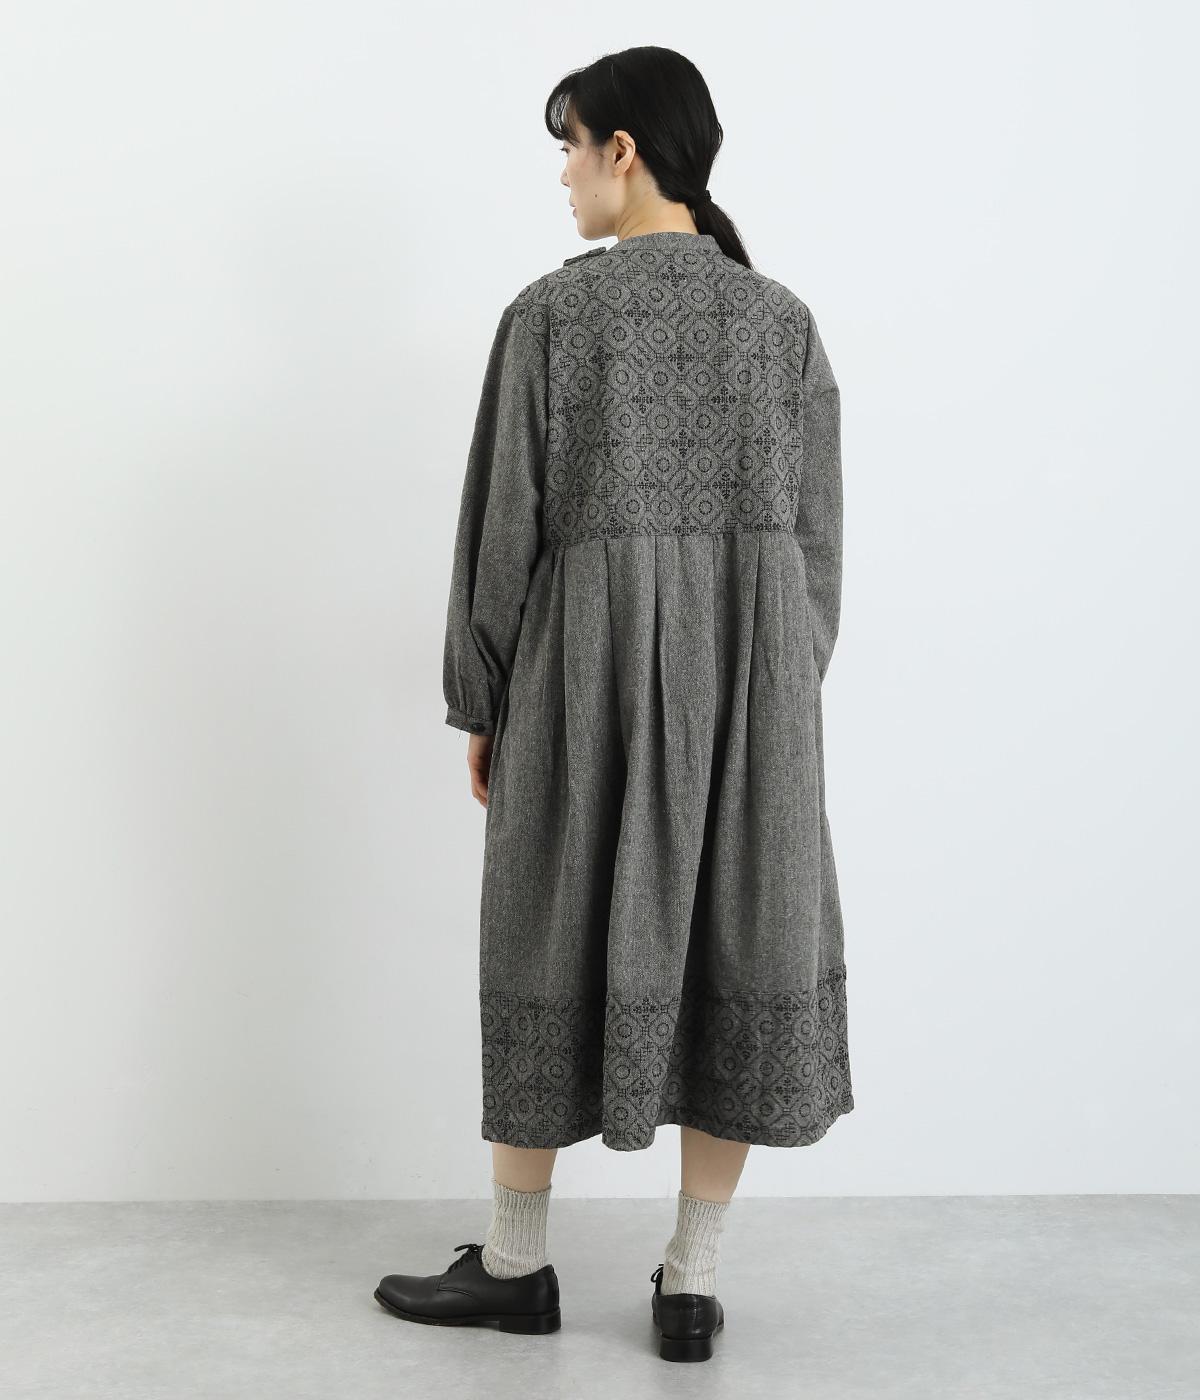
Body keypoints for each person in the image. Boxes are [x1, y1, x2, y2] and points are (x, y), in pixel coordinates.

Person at [375, 45, 854, 1363]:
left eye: (569, 148)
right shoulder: (782, 323)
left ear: (624, 150)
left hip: (579, 686)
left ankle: (516, 1266)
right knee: (737, 944)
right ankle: (690, 1284)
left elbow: (503, 529)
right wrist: (765, 691)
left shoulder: (552, 317)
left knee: (543, 928)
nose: (564, 177)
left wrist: (486, 697)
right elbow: (816, 556)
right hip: (753, 699)